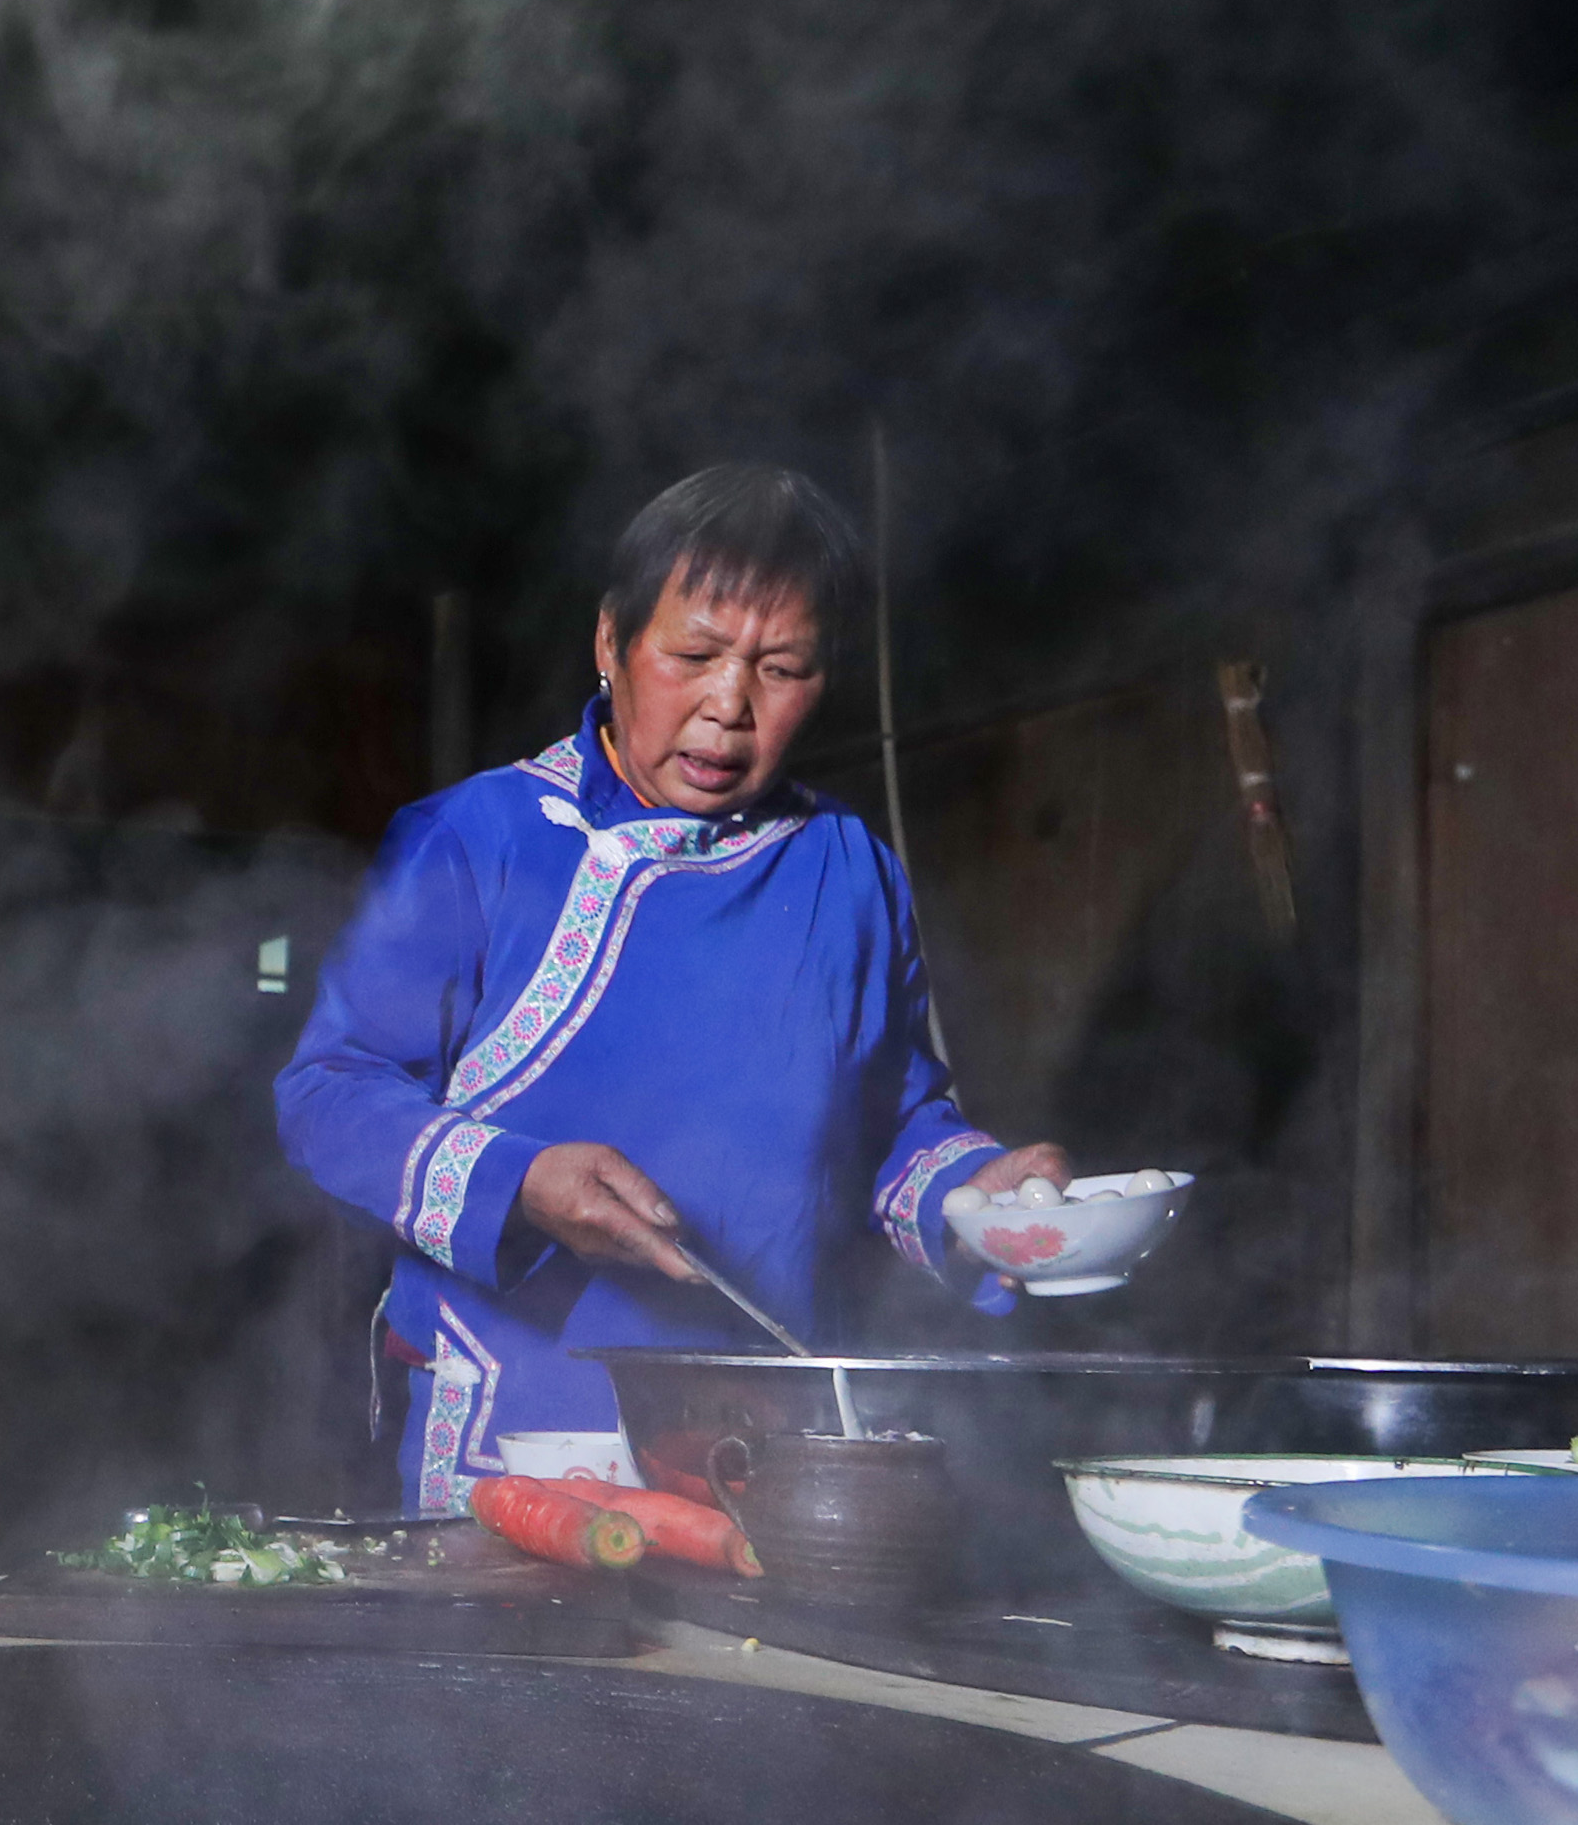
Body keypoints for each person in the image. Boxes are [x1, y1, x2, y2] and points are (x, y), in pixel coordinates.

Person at [276, 465, 1072, 1512]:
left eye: (782, 668)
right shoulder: (480, 839)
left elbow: (892, 1124)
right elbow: (328, 1091)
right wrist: (521, 1182)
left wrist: (979, 1195)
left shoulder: (851, 869)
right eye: (693, 654)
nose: (730, 705)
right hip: (518, 1447)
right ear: (611, 644)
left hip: (767, 1449)